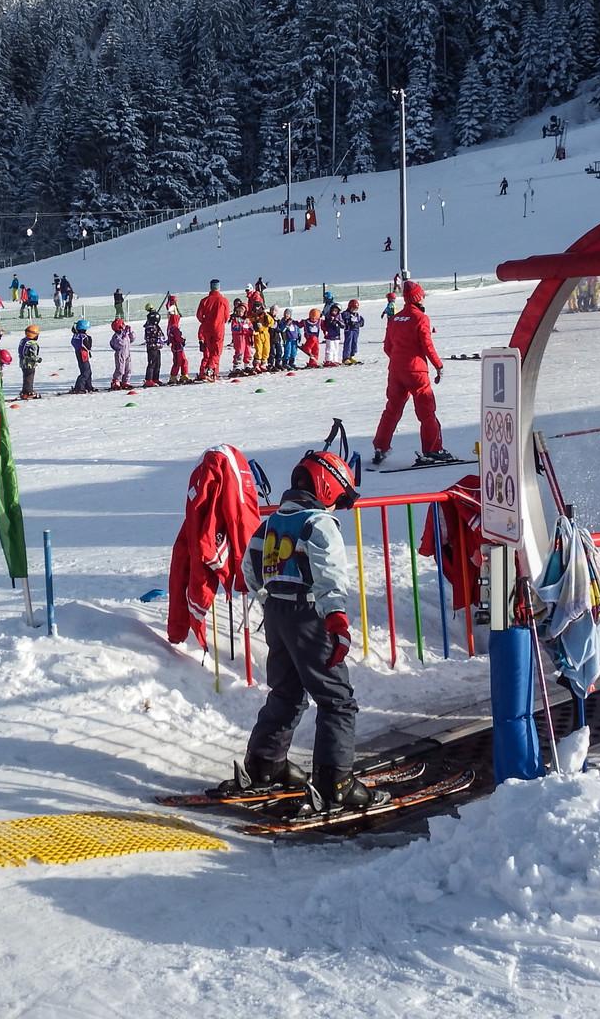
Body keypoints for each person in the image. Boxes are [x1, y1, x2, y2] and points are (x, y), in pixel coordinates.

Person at [239, 450, 384, 813]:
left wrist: (269, 597)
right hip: (310, 614)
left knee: (286, 692)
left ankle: (264, 764)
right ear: (329, 488)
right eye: (340, 498)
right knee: (337, 699)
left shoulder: (270, 523)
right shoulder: (319, 523)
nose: (338, 506)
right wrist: (336, 619)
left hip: (275, 610)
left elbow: (249, 569)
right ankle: (336, 782)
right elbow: (331, 575)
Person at [371, 281, 451, 466]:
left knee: (392, 410)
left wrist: (399, 360)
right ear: (417, 298)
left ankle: (380, 446)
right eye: (422, 295)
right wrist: (438, 365)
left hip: (396, 371)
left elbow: (387, 347)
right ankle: (433, 449)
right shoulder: (421, 318)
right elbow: (427, 345)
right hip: (416, 371)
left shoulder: (394, 319)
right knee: (426, 411)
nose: (423, 298)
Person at [195, 278, 230, 381]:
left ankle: (212, 373)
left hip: (207, 329)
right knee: (216, 352)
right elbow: (226, 316)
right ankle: (210, 369)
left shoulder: (204, 300)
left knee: (209, 351)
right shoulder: (223, 300)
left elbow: (199, 315)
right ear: (219, 288)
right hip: (218, 329)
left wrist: (205, 322)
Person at [70, 318, 96, 393]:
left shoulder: (76, 335)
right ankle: (79, 387)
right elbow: (88, 347)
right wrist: (89, 339)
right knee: (86, 372)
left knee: (87, 371)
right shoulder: (83, 337)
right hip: (83, 355)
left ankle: (88, 386)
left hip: (78, 354)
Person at [109, 317, 135, 390]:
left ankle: (125, 381)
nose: (124, 326)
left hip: (127, 353)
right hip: (120, 354)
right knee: (120, 368)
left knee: (128, 368)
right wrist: (124, 336)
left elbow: (132, 339)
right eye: (122, 324)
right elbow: (120, 344)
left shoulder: (125, 333)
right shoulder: (116, 336)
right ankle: (116, 381)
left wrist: (130, 332)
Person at [166, 311, 190, 383]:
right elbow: (177, 338)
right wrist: (182, 340)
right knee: (178, 362)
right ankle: (173, 377)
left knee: (183, 361)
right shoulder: (175, 328)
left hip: (177, 347)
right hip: (177, 348)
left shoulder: (171, 328)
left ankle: (184, 375)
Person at [18, 324, 41, 399]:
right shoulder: (32, 343)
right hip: (29, 364)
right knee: (29, 377)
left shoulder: (23, 340)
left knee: (25, 377)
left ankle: (24, 391)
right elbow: (31, 355)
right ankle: (28, 392)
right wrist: (37, 359)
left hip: (22, 362)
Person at [342, 300, 365, 364]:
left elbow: (362, 321)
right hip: (349, 331)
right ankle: (345, 358)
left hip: (356, 331)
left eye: (356, 308)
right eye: (353, 308)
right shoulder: (346, 313)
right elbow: (344, 318)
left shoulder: (357, 314)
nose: (355, 310)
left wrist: (358, 324)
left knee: (354, 343)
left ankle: (351, 356)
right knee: (348, 343)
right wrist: (349, 322)